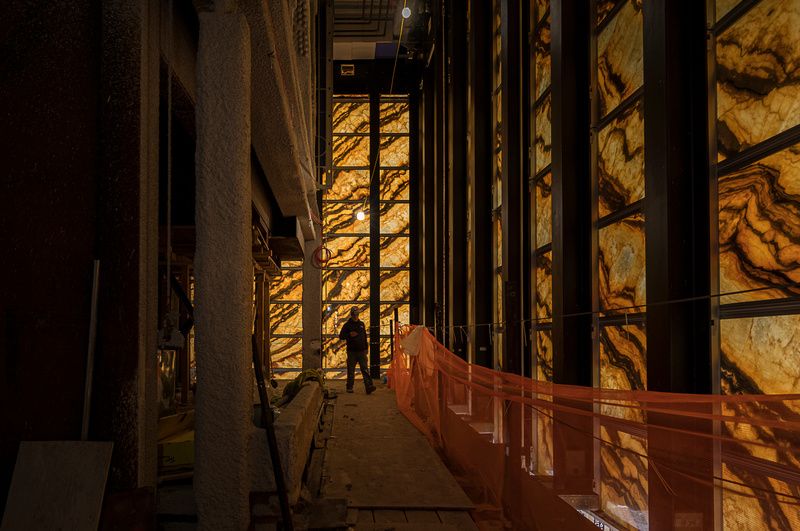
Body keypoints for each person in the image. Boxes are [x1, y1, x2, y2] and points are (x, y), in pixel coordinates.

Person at [338, 308, 376, 394]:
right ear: (351, 315)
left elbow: (364, 337)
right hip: (352, 352)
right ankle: (349, 387)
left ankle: (369, 386)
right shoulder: (347, 325)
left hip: (362, 351)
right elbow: (341, 336)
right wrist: (349, 335)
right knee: (351, 370)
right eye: (354, 315)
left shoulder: (361, 324)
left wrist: (366, 348)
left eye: (357, 314)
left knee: (365, 369)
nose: (356, 316)